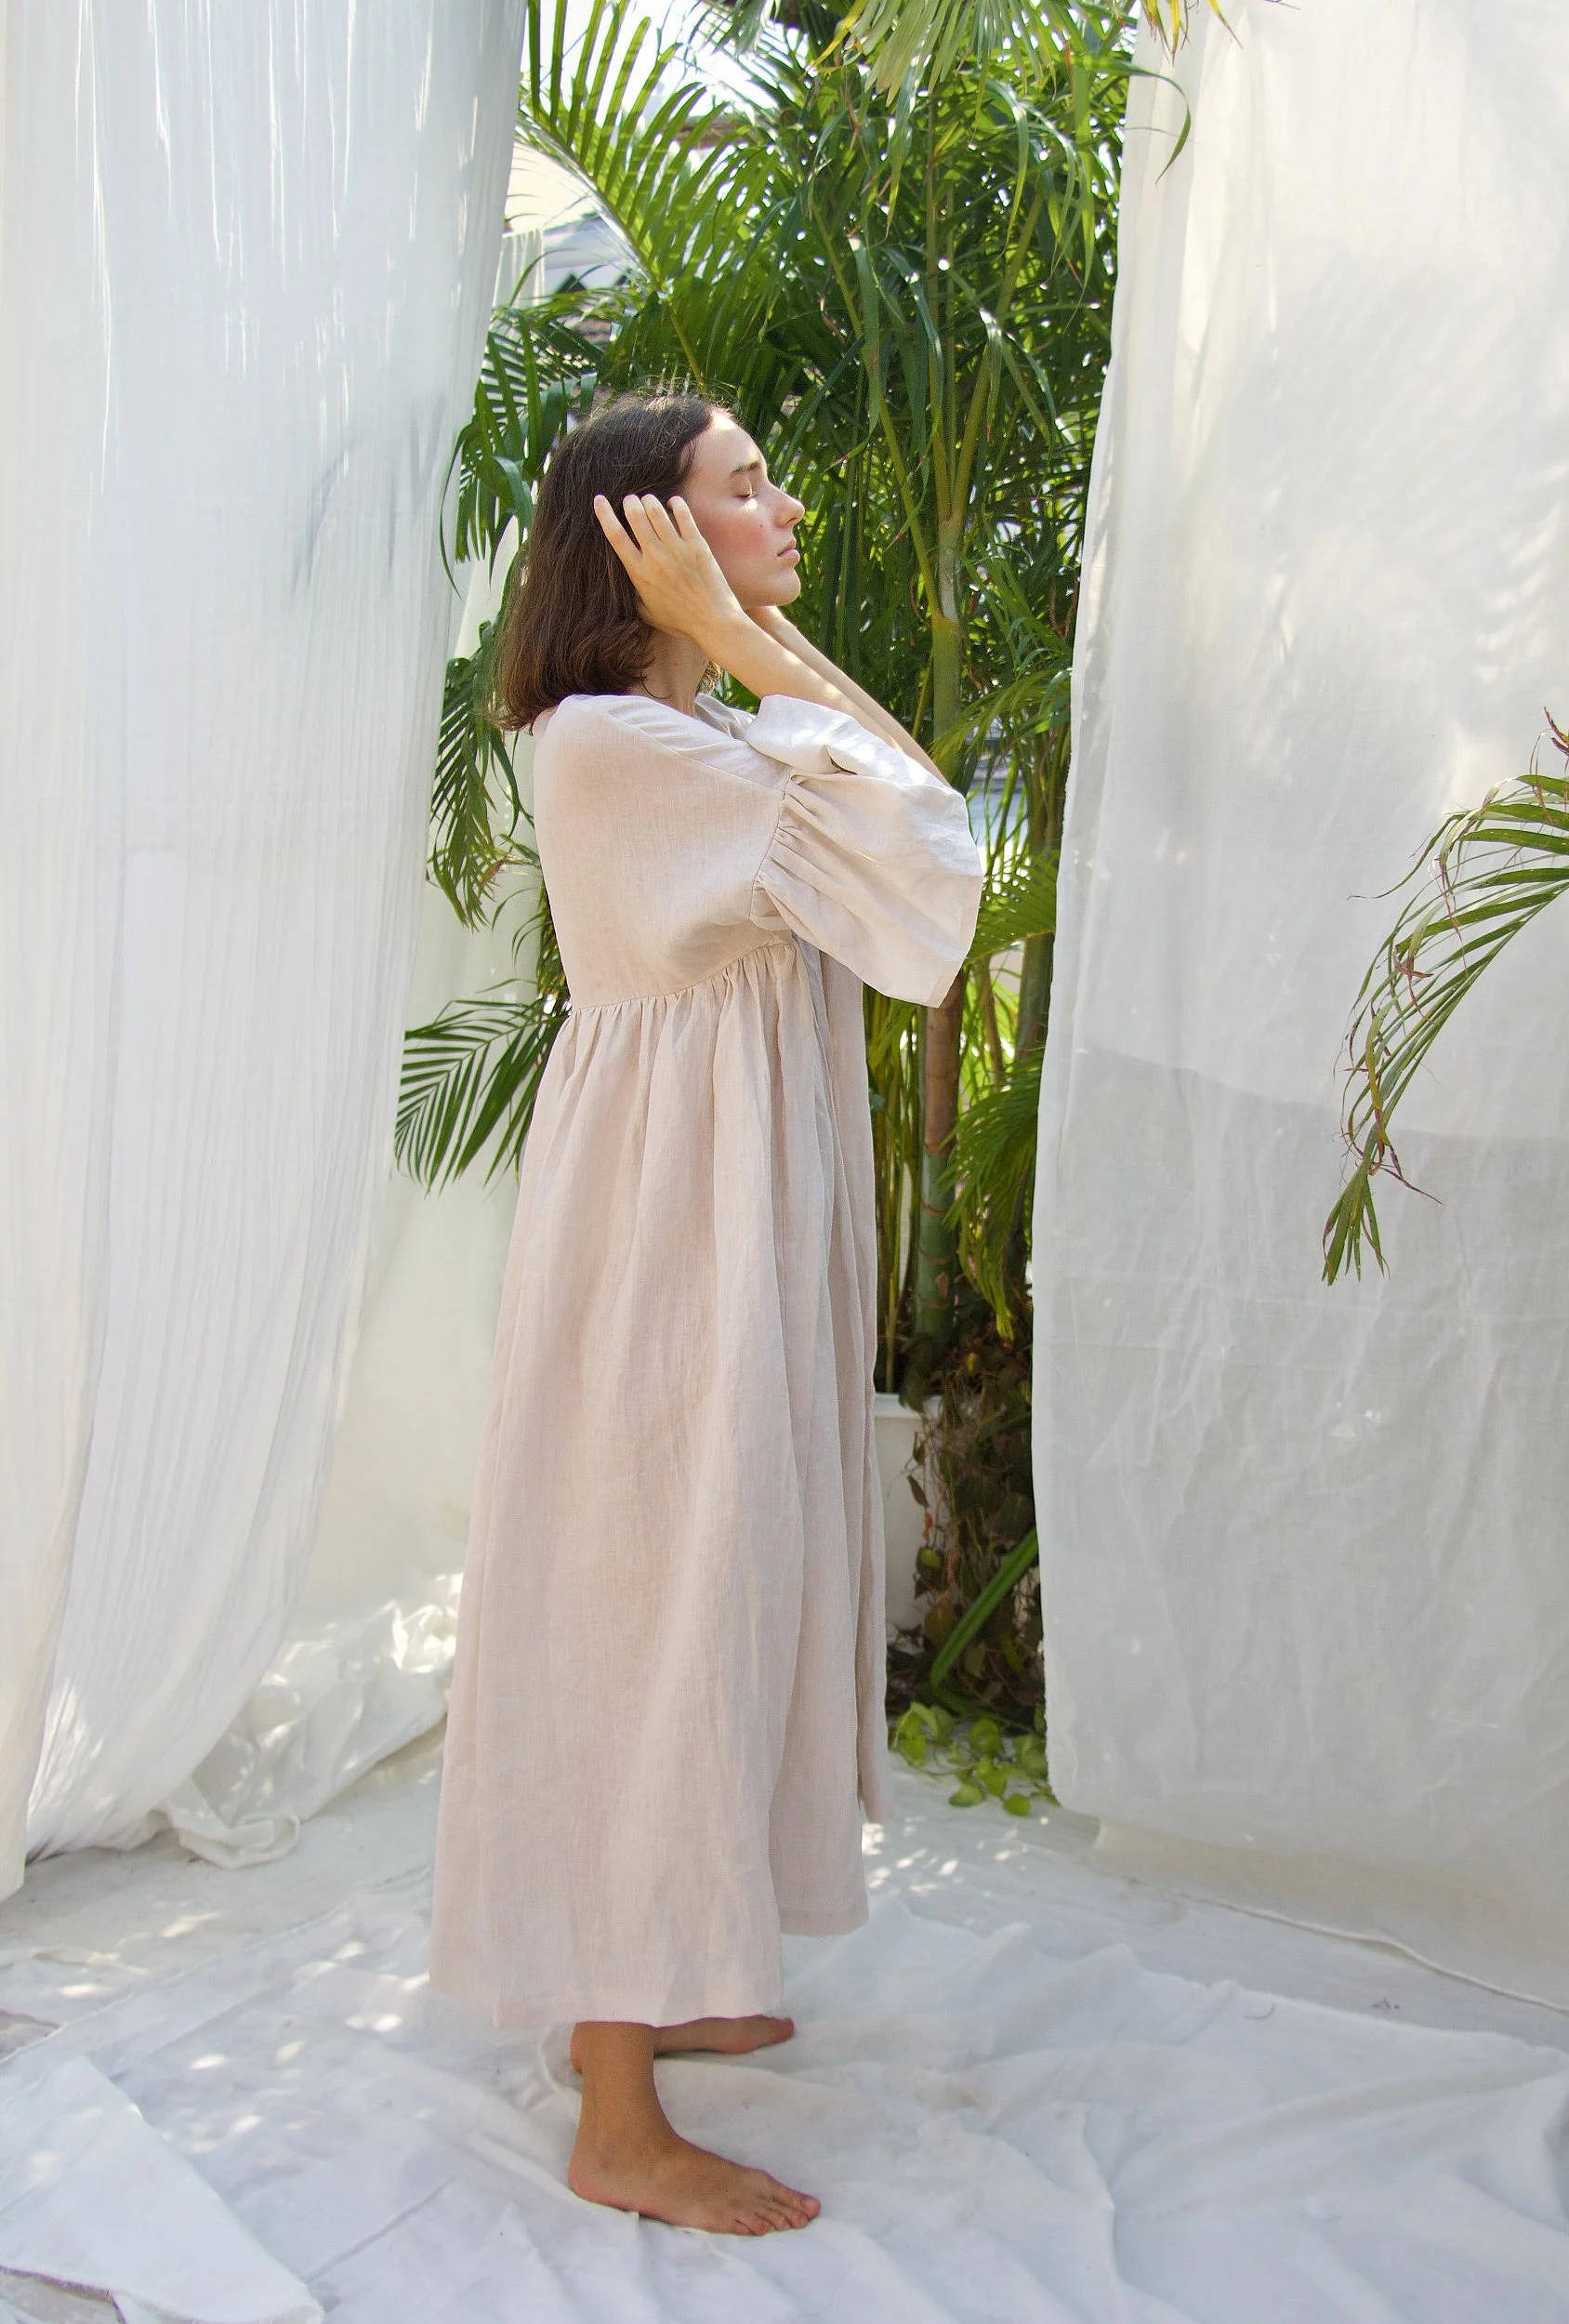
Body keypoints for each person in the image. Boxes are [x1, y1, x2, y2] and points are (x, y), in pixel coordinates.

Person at [428, 391, 982, 2236]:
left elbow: (917, 828)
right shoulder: (615, 744)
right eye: (747, 488)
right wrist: (748, 650)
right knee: (646, 1602)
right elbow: (918, 866)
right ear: (643, 536)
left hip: (732, 1200)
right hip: (673, 1229)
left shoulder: (700, 727)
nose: (789, 500)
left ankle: (674, 1958)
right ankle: (612, 2097)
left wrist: (749, 642)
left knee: (724, 1577)